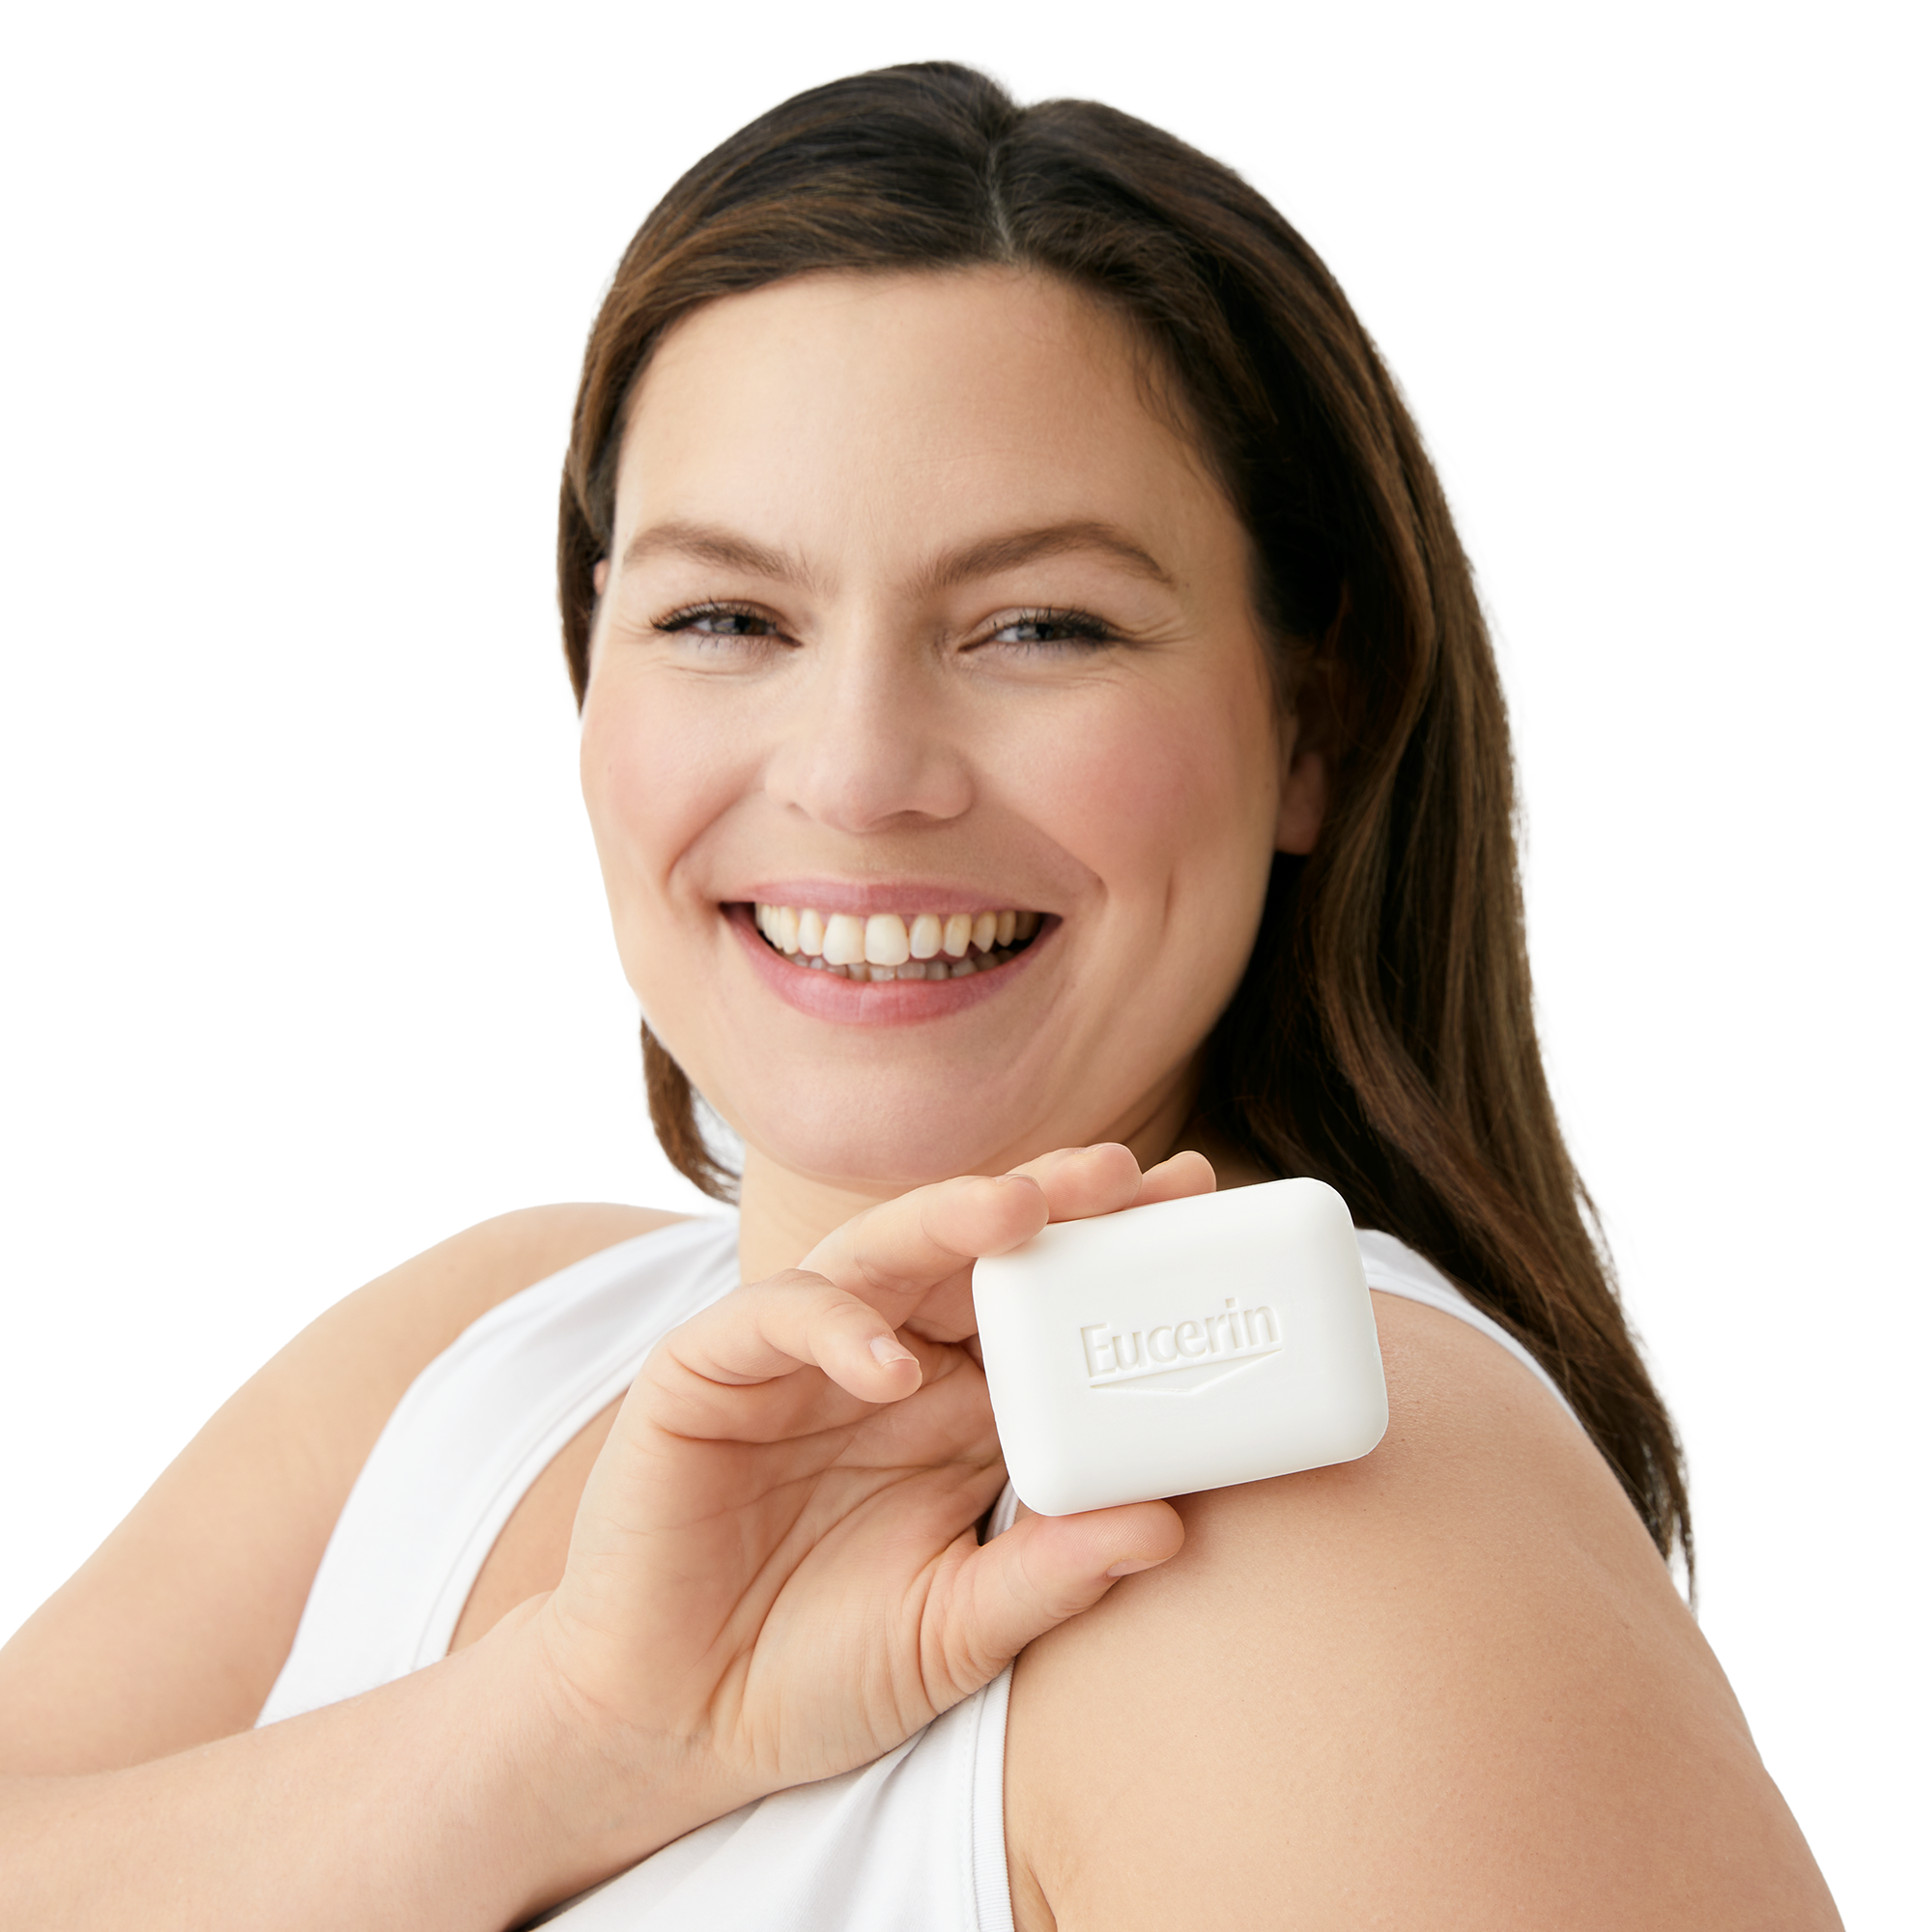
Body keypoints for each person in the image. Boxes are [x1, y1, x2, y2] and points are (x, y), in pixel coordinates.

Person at [0, 62, 1839, 1930]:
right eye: (726, 618)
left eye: (1043, 625)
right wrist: (573, 1727)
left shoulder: (1305, 1495)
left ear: (1314, 724)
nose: (862, 772)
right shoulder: (484, 1347)